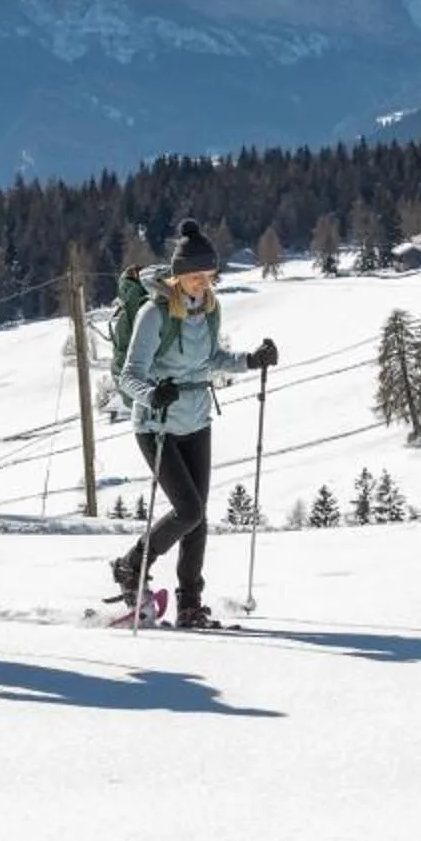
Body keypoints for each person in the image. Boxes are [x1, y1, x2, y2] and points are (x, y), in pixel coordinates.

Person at [113, 220, 275, 628]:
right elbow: (129, 375)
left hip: (196, 420)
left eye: (207, 276)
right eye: (194, 276)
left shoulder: (210, 310)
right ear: (177, 275)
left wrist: (250, 360)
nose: (202, 283)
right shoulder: (155, 313)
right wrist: (152, 394)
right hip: (156, 425)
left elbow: (212, 361)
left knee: (198, 515)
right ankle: (131, 566)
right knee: (187, 510)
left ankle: (190, 603)